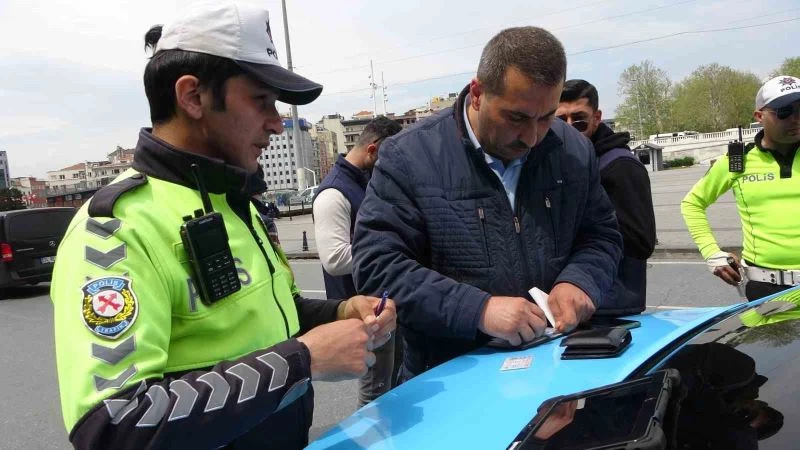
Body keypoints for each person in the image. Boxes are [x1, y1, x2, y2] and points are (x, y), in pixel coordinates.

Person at [49, 2, 396, 449]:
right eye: (261, 100)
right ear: (192, 96)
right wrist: (302, 360)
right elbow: (113, 423)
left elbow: (271, 319)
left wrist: (341, 312)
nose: (276, 122)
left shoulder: (236, 201)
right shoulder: (115, 228)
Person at [352, 27, 622, 382]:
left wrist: (581, 281)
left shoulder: (573, 150)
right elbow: (377, 266)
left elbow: (601, 234)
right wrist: (478, 310)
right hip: (450, 381)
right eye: (517, 117)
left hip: (556, 368)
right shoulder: (408, 157)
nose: (532, 137)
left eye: (546, 117)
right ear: (478, 94)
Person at [681, 75, 800, 301]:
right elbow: (692, 204)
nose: (796, 119)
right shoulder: (737, 161)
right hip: (767, 290)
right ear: (759, 116)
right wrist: (711, 253)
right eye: (785, 111)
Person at [312, 116, 403, 405]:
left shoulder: (363, 182)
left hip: (379, 303)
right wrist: (388, 249)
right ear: (373, 150)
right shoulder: (333, 193)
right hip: (362, 309)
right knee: (375, 393)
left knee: (393, 383)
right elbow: (334, 258)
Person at [557, 79, 656, 315]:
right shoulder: (567, 160)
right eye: (560, 121)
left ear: (597, 117)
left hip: (609, 304)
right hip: (576, 301)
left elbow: (641, 242)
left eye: (579, 120)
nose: (569, 127)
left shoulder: (619, 165)